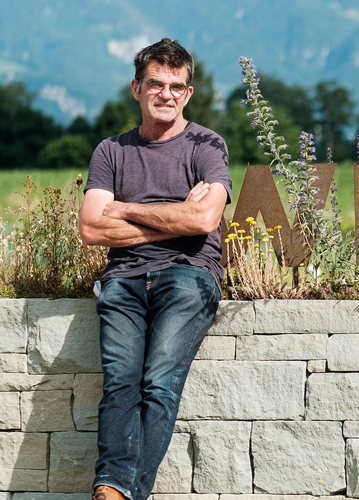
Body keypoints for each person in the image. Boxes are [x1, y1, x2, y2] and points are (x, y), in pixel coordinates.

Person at [80, 38, 231, 500]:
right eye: (155, 84)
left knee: (158, 383)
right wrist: (174, 217)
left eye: (176, 86)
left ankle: (112, 491)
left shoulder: (206, 144)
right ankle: (120, 493)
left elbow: (204, 220)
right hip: (123, 279)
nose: (166, 94)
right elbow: (91, 227)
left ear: (188, 93)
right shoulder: (111, 151)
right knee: (120, 384)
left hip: (189, 274)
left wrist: (126, 210)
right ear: (136, 88)